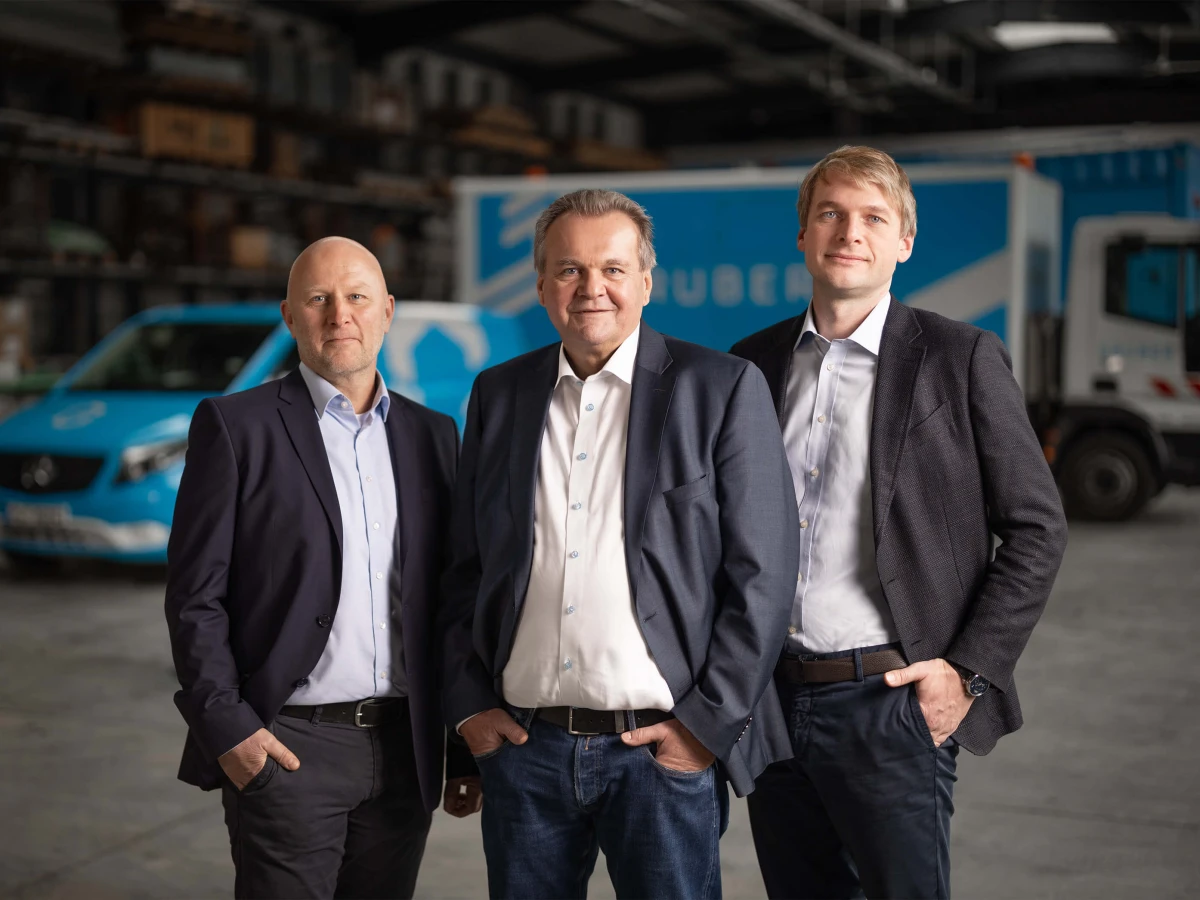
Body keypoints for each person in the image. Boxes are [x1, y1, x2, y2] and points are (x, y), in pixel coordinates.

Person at [730, 146, 1069, 900]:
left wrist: (969, 672)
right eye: (830, 213)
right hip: (772, 704)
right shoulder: (751, 366)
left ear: (903, 242)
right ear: (804, 234)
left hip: (891, 700)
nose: (850, 231)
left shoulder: (959, 357)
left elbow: (1037, 528)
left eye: (873, 218)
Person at [441, 189, 800, 899]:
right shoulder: (501, 395)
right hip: (525, 751)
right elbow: (463, 566)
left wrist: (706, 726)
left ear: (646, 281)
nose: (591, 288)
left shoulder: (720, 387)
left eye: (612, 268)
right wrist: (468, 704)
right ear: (543, 286)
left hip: (659, 754)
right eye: (569, 270)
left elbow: (764, 572)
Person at [165, 237, 477, 900]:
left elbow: (453, 602)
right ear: (289, 315)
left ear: (388, 311)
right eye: (319, 298)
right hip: (288, 745)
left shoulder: (433, 436)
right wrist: (230, 727)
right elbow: (196, 596)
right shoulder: (234, 426)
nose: (341, 315)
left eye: (358, 297)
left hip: (403, 748)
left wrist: (459, 744)